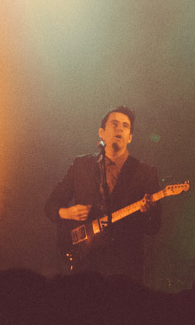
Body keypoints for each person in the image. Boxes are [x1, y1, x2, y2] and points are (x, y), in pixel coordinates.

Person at [44, 106, 161, 283]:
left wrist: (148, 212)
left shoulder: (145, 172)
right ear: (102, 132)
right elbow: (51, 205)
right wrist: (66, 213)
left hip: (125, 267)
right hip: (85, 263)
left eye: (125, 126)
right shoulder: (81, 165)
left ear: (130, 137)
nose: (120, 128)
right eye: (114, 124)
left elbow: (154, 228)